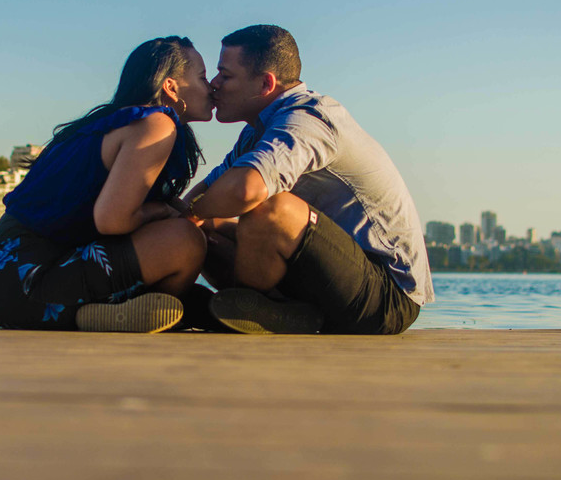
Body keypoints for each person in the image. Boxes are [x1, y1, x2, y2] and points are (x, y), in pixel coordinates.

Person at [182, 24, 434, 334]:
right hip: (325, 278)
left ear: (265, 83)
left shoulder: (308, 118)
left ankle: (241, 310)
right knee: (204, 225)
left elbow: (246, 190)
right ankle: (272, 311)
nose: (214, 85)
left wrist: (190, 215)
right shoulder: (257, 130)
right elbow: (207, 191)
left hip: (386, 297)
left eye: (226, 75)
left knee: (270, 209)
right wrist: (182, 224)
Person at [0, 36, 211, 332]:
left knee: (193, 248)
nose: (212, 86)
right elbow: (112, 220)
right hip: (28, 285)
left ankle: (105, 314)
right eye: (203, 77)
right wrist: (160, 213)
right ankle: (136, 315)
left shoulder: (117, 122)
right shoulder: (155, 124)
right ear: (171, 87)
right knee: (184, 240)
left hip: (3, 287)